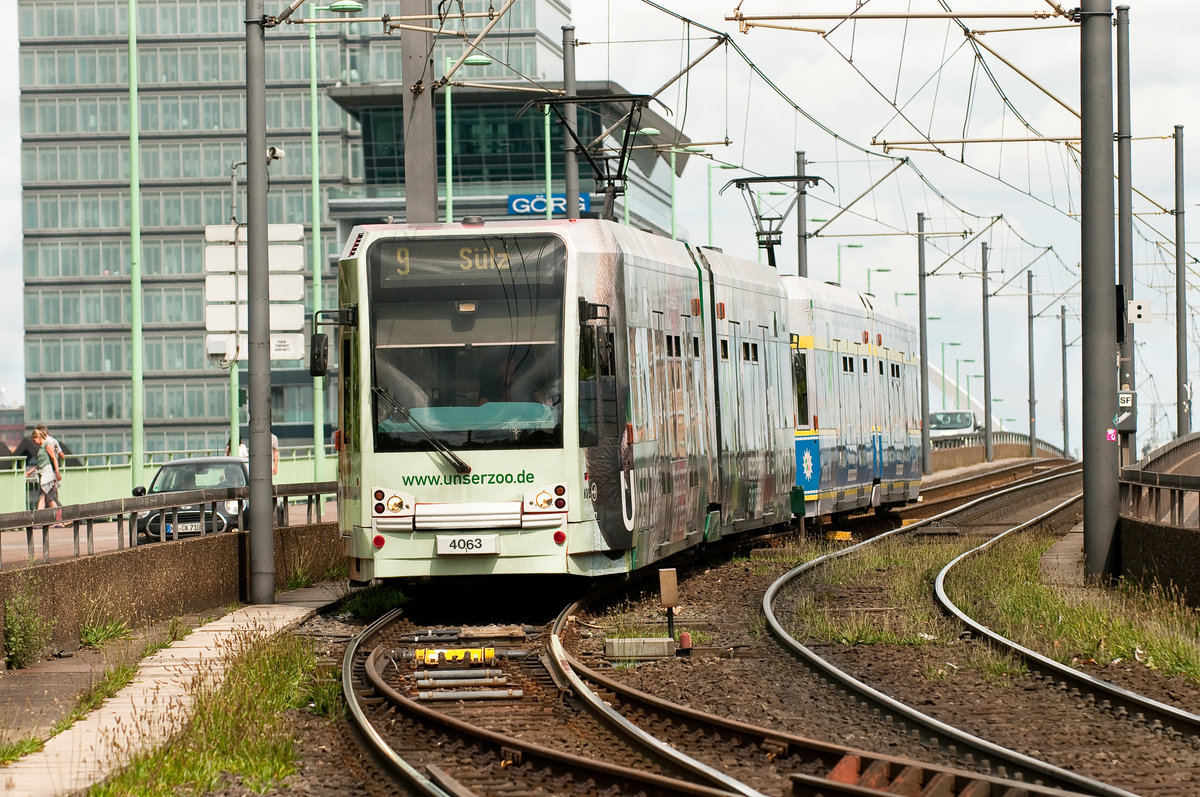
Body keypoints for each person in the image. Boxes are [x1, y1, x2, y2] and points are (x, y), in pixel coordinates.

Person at [24, 427, 61, 515]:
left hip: (47, 475)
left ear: (38, 437)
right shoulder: (41, 448)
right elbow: (40, 463)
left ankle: (61, 519)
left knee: (49, 499)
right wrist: (30, 471)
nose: (35, 442)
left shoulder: (47, 445)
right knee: (45, 498)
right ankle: (40, 519)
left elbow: (54, 458)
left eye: (34, 440)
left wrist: (57, 472)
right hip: (43, 474)